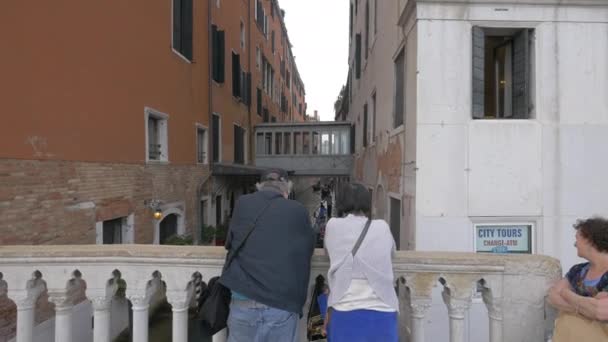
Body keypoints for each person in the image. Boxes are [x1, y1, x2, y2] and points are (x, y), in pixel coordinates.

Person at [219, 168, 315, 342]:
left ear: (259, 187)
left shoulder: (243, 203)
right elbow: (307, 249)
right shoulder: (297, 210)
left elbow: (230, 242)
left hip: (243, 301)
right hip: (281, 304)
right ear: (287, 189)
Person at [323, 182, 399, 341]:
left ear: (342, 201)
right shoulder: (382, 227)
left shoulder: (333, 226)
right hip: (382, 309)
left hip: (344, 309)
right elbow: (392, 252)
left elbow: (328, 250)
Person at [548, 217, 608, 340]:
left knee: (567, 319)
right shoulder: (578, 270)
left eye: (577, 239)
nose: (575, 244)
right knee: (566, 320)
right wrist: (584, 308)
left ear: (589, 240)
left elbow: (599, 311)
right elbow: (553, 296)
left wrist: (566, 294)